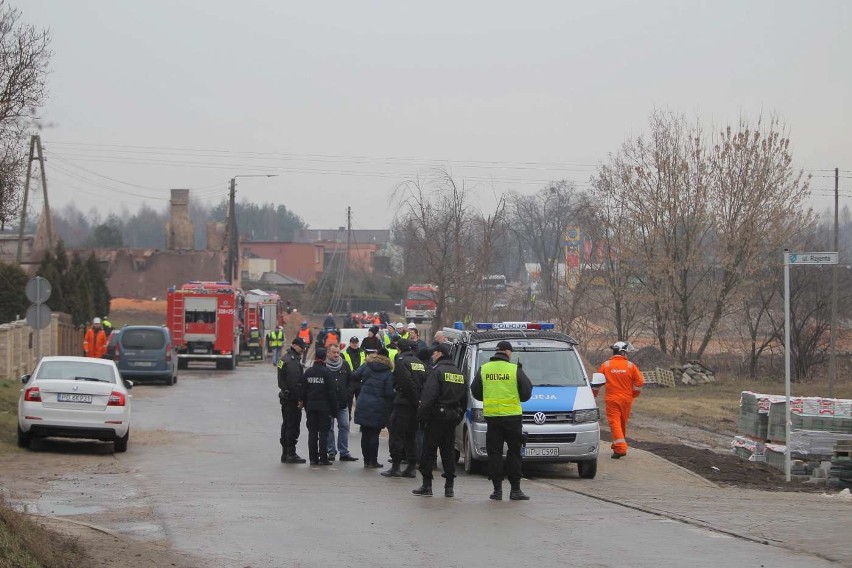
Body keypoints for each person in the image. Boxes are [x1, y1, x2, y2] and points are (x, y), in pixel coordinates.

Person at [471, 340, 533, 501]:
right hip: (512, 418)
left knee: (495, 454)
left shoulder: (484, 369)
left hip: (492, 418)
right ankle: (515, 490)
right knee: (514, 453)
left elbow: (475, 391)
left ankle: (497, 490)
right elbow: (527, 392)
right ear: (507, 352)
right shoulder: (514, 369)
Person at [412, 343, 468, 497]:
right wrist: (458, 416)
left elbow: (429, 396)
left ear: (439, 354)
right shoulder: (459, 373)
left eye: (433, 353)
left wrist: (421, 416)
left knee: (428, 451)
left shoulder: (437, 372)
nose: (432, 356)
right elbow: (464, 399)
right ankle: (449, 487)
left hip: (436, 417)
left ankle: (427, 485)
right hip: (452, 418)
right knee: (448, 452)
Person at [382, 340, 427, 479]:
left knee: (397, 434)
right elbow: (426, 382)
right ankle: (411, 467)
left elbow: (406, 382)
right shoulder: (420, 363)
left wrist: (413, 399)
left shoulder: (401, 361)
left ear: (399, 349)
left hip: (403, 403)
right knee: (411, 436)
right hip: (416, 404)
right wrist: (419, 401)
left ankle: (396, 467)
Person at [597, 341, 644, 459]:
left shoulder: (606, 365)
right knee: (622, 422)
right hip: (626, 399)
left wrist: (593, 395)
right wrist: (634, 394)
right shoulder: (630, 366)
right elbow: (640, 382)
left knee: (615, 422)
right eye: (626, 353)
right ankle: (618, 445)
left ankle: (620, 448)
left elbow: (597, 381)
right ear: (623, 352)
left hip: (612, 399)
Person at [353, 348, 395, 469]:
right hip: (378, 405)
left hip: (363, 402)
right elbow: (388, 393)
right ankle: (373, 461)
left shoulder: (368, 365)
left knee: (365, 433)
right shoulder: (388, 372)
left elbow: (355, 375)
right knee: (374, 434)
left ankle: (366, 461)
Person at [300, 348, 337, 466]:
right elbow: (332, 393)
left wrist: (305, 405)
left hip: (311, 407)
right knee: (323, 433)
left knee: (312, 433)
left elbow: (303, 391)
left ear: (315, 357)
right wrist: (334, 410)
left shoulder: (308, 372)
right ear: (325, 357)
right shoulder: (327, 373)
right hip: (324, 408)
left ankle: (313, 458)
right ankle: (323, 458)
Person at [325, 344, 359, 462]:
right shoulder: (324, 366)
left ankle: (344, 452)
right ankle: (331, 451)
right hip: (328, 404)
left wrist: (348, 393)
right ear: (328, 353)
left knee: (344, 426)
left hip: (343, 403)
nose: (336, 355)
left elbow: (351, 380)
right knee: (329, 428)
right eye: (333, 352)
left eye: (338, 352)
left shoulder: (344, 364)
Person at [278, 337, 308, 463]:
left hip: (285, 397)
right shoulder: (292, 362)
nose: (303, 350)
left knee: (286, 425)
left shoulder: (284, 359)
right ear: (295, 346)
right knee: (292, 426)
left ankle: (285, 453)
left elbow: (281, 381)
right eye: (301, 347)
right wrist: (300, 399)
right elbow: (295, 383)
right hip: (292, 399)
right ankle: (291, 453)